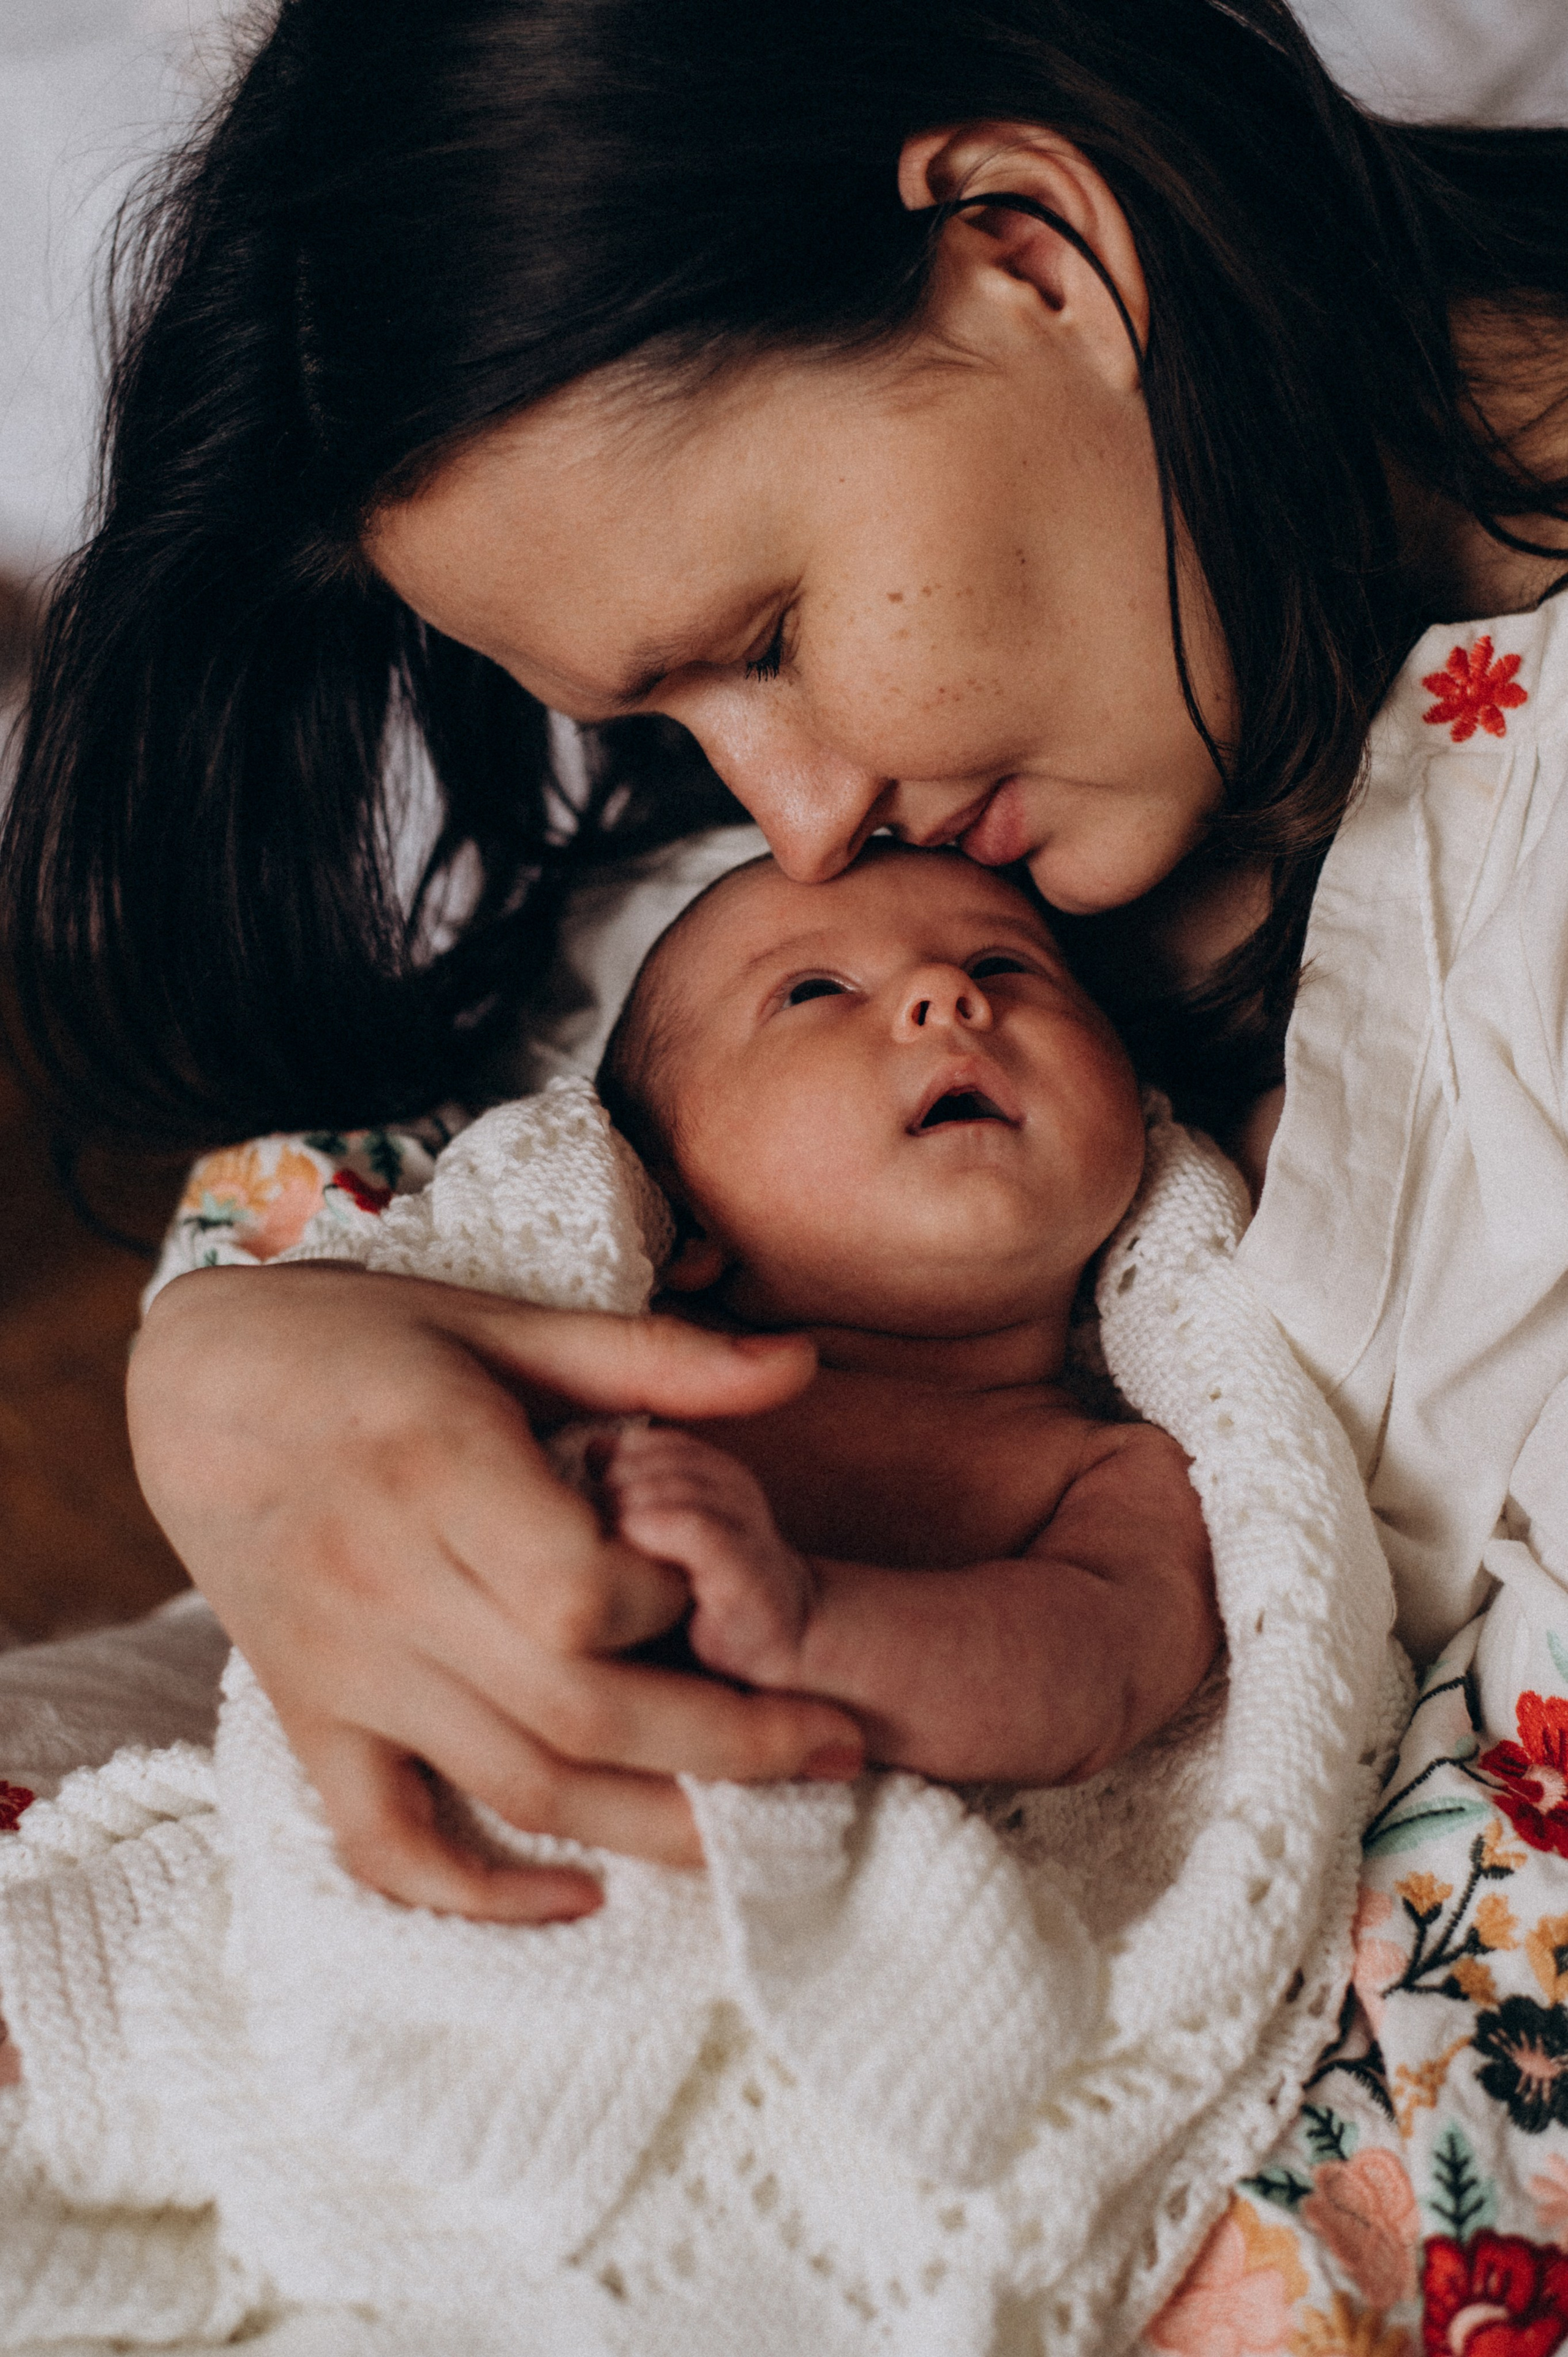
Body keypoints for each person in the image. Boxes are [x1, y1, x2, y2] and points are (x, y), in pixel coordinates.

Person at [1, 0, 1566, 1921]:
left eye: (766, 637)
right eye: (681, 727)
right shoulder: (1021, 817)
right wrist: (233, 1370)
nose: (805, 824)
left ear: (1034, 260)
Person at [592, 842, 1216, 1788]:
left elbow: (1102, 1674)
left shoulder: (1120, 1475)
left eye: (1002, 965)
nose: (945, 993)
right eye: (811, 991)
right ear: (672, 1209)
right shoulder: (592, 1351)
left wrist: (818, 1625)